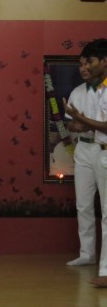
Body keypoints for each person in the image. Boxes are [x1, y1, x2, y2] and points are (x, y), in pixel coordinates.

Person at [63, 38, 107, 286]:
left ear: (103, 62)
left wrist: (83, 121)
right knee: (83, 204)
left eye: (88, 62)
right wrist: (74, 125)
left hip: (102, 148)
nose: (83, 68)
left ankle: (104, 267)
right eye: (80, 64)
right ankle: (86, 253)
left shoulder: (105, 88)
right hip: (84, 148)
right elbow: (70, 124)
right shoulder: (77, 92)